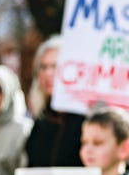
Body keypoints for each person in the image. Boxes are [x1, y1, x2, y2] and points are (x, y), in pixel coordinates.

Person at [25, 35, 85, 167]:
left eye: (55, 66)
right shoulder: (41, 123)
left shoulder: (87, 122)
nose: (48, 73)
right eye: (43, 67)